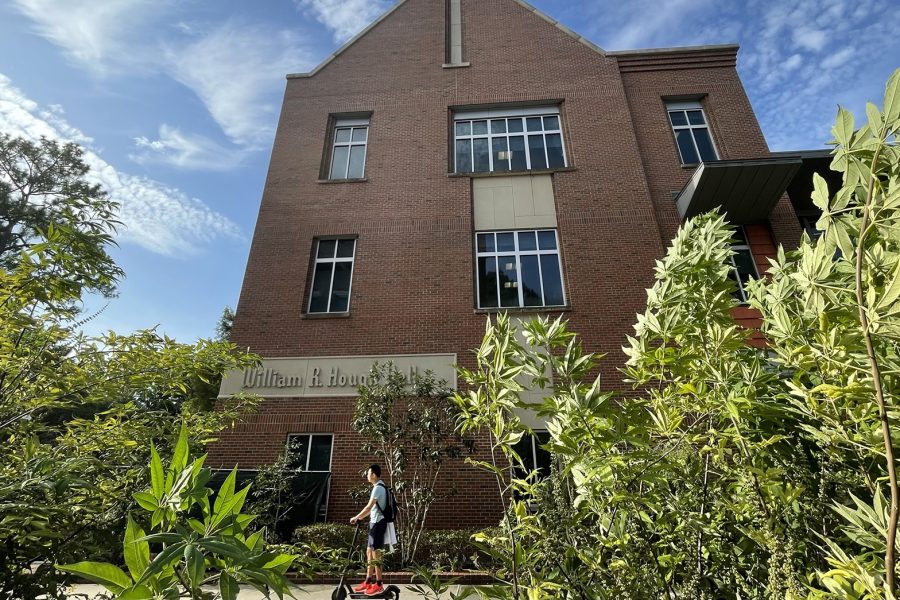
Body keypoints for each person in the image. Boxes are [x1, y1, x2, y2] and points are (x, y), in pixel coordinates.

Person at [350, 464, 388, 596]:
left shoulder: (378, 488)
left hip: (378, 523)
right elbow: (370, 509)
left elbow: (368, 507)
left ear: (374, 475)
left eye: (368, 473)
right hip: (374, 523)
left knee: (376, 554)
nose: (367, 475)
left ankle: (379, 584)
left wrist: (356, 517)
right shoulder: (379, 487)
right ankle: (368, 581)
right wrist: (360, 517)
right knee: (369, 552)